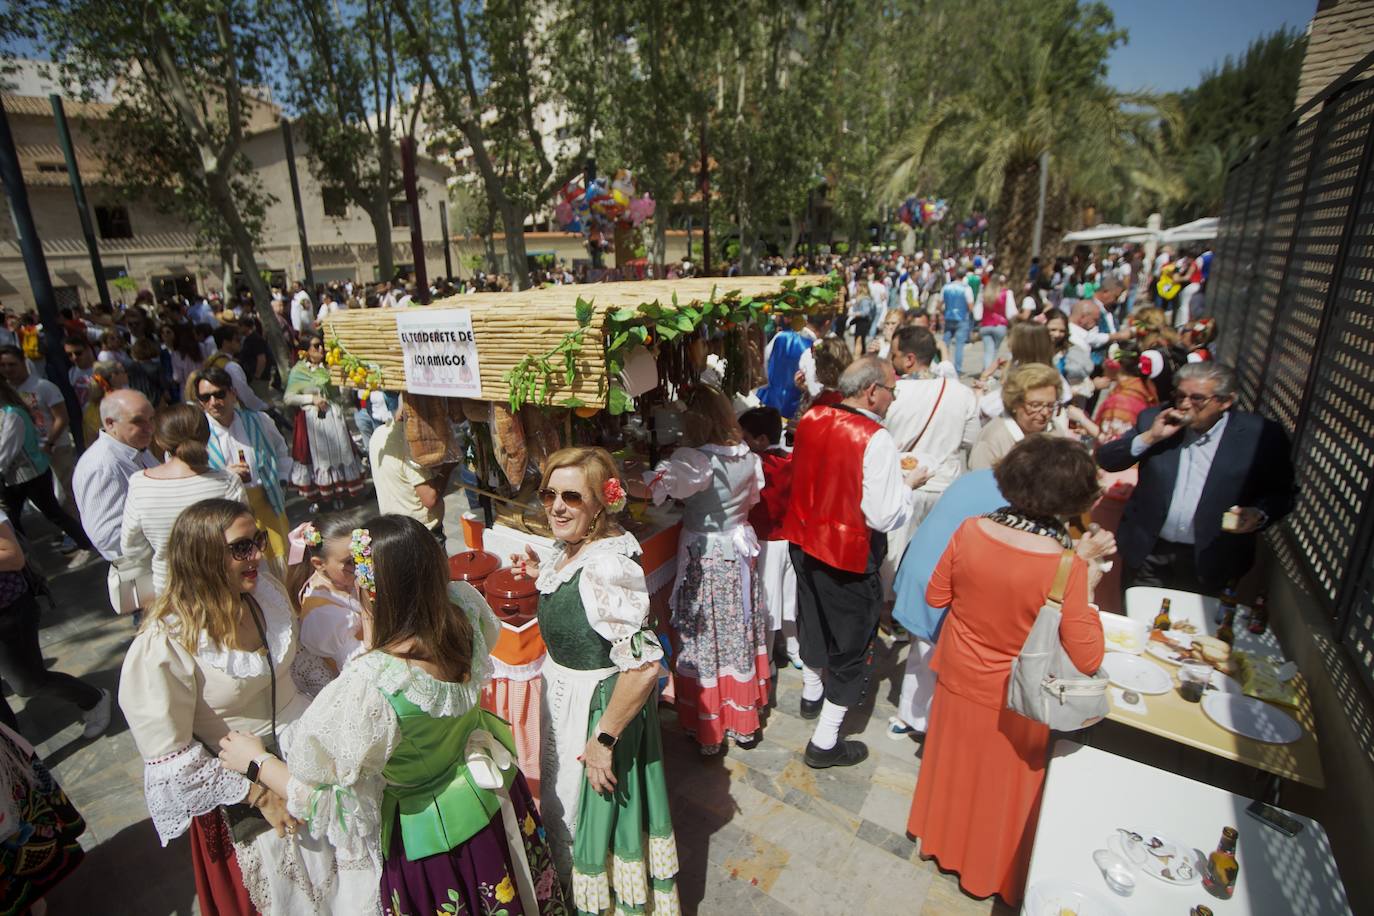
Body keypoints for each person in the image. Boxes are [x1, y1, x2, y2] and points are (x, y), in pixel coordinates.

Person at [217, 514, 569, 916]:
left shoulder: (372, 683)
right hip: (497, 796)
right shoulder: (461, 613)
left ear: (371, 589)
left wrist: (258, 762)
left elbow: (324, 797)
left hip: (437, 839)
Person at [119, 498, 375, 915]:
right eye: (242, 547)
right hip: (242, 781)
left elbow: (298, 665)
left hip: (308, 752)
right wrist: (258, 794)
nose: (258, 553)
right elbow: (171, 758)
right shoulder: (164, 643)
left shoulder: (266, 593)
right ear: (202, 557)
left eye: (256, 540)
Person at [907, 435, 1113, 906]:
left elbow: (938, 596)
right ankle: (986, 870)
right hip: (1017, 692)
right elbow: (1086, 656)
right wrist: (1092, 584)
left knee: (952, 768)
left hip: (960, 671)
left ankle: (938, 841)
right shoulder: (1065, 566)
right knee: (1001, 789)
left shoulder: (972, 530)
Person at [511, 447, 678, 910]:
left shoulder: (608, 565)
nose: (557, 507)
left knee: (594, 820)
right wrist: (539, 570)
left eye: (571, 497)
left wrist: (603, 739)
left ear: (601, 503)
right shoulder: (571, 549)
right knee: (565, 805)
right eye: (548, 495)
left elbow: (645, 666)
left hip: (597, 708)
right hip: (566, 699)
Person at [780, 357, 931, 768]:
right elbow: (883, 515)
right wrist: (908, 487)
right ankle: (825, 741)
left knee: (812, 620)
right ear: (872, 391)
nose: (893, 398)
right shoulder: (875, 437)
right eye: (891, 390)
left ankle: (812, 694)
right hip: (846, 555)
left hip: (805, 541)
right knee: (850, 647)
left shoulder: (811, 417)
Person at [641, 385, 768, 753]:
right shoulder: (745, 455)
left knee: (705, 634)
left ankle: (711, 729)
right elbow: (752, 498)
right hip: (738, 551)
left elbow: (662, 487)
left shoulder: (697, 460)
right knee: (735, 630)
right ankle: (741, 721)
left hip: (708, 556)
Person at [1096, 362, 1295, 595]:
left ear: (1225, 401)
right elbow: (1108, 459)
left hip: (1211, 559)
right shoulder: (1156, 419)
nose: (1184, 405)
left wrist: (1259, 515)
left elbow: (1283, 493)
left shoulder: (1259, 435)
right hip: (1149, 553)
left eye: (1197, 398)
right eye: (1180, 396)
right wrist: (1150, 437)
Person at [887, 465, 1005, 739]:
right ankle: (927, 720)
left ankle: (909, 715)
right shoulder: (1013, 497)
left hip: (923, 566)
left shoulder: (976, 478)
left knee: (922, 650)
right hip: (944, 574)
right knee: (937, 655)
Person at [880, 326, 980, 598]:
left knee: (894, 556)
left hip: (902, 486)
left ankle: (890, 610)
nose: (891, 360)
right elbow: (971, 440)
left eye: (894, 354)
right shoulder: (962, 393)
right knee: (933, 557)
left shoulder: (892, 392)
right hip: (944, 487)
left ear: (909, 359)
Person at [0, 506, 111, 739]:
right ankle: (19, 756)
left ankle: (93, 698)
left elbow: (13, 556)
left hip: (9, 612)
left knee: (28, 684)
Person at [121, 404, 248, 595]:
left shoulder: (140, 484)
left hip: (171, 593)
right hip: (223, 589)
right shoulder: (227, 481)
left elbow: (132, 548)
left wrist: (164, 553)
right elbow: (244, 539)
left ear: (160, 440)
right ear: (207, 436)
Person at [192, 367, 292, 567]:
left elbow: (281, 448)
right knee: (244, 566)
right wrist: (226, 475)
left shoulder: (259, 420)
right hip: (227, 513)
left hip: (267, 502)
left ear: (233, 393)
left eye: (219, 394)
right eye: (205, 397)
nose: (213, 402)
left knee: (280, 565)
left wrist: (281, 479)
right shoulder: (197, 434)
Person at [0, 379, 94, 564]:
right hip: (14, 479)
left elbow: (6, 450)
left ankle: (86, 545)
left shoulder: (12, 415)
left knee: (53, 513)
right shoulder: (5, 413)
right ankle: (24, 561)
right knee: (12, 520)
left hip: (31, 475)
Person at [739, 405, 801, 670]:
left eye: (745, 438)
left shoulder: (758, 464)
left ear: (761, 440)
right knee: (787, 599)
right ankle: (795, 648)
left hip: (767, 540)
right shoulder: (792, 459)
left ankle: (769, 660)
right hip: (790, 539)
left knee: (768, 603)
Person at [284, 511, 367, 692]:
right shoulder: (322, 615)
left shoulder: (344, 580)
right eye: (349, 562)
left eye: (361, 554)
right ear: (319, 564)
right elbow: (361, 669)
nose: (360, 566)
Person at [72, 389, 157, 562]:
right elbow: (108, 538)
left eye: (151, 419)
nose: (150, 428)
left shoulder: (135, 447)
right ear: (110, 423)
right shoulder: (101, 466)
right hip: (143, 569)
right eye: (138, 421)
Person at [284, 334, 365, 509]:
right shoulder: (299, 371)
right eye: (315, 346)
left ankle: (340, 493)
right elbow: (288, 398)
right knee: (318, 458)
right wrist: (311, 399)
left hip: (333, 420)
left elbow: (340, 396)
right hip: (313, 423)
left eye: (321, 345)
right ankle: (320, 498)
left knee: (340, 451)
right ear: (306, 352)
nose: (320, 349)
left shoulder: (329, 367)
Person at [969, 363, 1095, 470]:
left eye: (1051, 405)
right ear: (1014, 403)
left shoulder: (1054, 430)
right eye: (1035, 405)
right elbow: (981, 489)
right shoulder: (992, 440)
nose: (1045, 412)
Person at [0, 346, 77, 515]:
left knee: (67, 491)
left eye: (12, 364)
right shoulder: (6, 390)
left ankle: (77, 528)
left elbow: (62, 418)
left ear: (23, 362)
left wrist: (49, 442)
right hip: (31, 454)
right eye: (3, 365)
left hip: (56, 447)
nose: (7, 369)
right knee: (48, 498)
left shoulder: (44, 386)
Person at [368, 397, 450, 546]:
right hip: (420, 535)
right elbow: (429, 498)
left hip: (394, 530)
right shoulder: (410, 443)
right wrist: (448, 467)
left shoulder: (379, 432)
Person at [200, 325, 271, 412]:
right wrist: (263, 406)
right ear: (226, 342)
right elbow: (245, 394)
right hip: (234, 413)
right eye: (237, 340)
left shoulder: (212, 360)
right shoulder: (231, 367)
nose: (240, 342)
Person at [756, 313, 814, 419]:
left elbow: (764, 362)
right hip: (794, 404)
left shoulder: (780, 336)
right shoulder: (813, 346)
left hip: (770, 397)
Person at [80, 359, 128, 445]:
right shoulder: (117, 403)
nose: (126, 374)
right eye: (123, 371)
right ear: (114, 376)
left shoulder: (92, 406)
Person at [939, 269, 973, 375]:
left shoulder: (946, 287)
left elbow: (940, 304)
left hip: (949, 317)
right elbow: (970, 306)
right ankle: (957, 369)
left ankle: (942, 364)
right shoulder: (966, 288)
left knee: (945, 342)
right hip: (962, 318)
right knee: (959, 345)